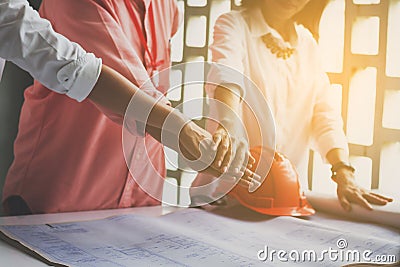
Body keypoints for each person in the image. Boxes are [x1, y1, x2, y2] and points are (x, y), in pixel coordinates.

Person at [1, 0, 255, 215]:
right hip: (64, 199)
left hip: (142, 202)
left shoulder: (166, 6)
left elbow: (155, 81)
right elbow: (110, 81)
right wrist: (183, 132)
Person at [192, 0, 392, 211]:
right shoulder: (234, 24)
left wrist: (344, 173)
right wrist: (229, 123)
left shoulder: (307, 44)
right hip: (223, 195)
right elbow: (228, 75)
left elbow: (325, 116)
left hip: (284, 201)